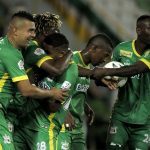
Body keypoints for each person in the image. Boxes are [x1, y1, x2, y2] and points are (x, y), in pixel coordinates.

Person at [0, 11, 67, 149]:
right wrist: (52, 93)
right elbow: (26, 90)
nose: (33, 35)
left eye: (34, 31)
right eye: (30, 31)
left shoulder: (7, 46)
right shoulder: (14, 53)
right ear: (14, 30)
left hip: (9, 112)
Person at [93, 15, 150, 150]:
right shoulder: (121, 49)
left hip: (145, 121)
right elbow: (103, 78)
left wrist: (105, 73)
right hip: (120, 117)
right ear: (139, 30)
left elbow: (137, 68)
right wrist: (103, 80)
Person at [14, 33, 79, 150]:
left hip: (44, 128)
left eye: (48, 52)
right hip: (25, 123)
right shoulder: (44, 68)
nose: (44, 56)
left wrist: (35, 91)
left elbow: (53, 106)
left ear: (62, 54)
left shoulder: (69, 70)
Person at [57, 33, 113, 150]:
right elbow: (56, 90)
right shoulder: (70, 59)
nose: (104, 60)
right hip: (63, 123)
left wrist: (85, 105)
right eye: (105, 55)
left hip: (77, 125)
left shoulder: (87, 67)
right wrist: (64, 113)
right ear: (94, 48)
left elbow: (74, 90)